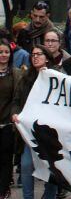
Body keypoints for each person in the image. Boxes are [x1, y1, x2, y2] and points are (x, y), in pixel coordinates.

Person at [11, 45, 58, 199]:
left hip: (51, 133)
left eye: (39, 54)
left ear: (47, 58)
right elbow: (16, 101)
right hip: (29, 131)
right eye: (33, 55)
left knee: (52, 167)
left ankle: (49, 196)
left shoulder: (56, 77)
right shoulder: (26, 78)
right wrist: (15, 114)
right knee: (26, 165)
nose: (35, 57)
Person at [0, 40, 21, 199]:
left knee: (6, 159)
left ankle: (3, 189)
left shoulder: (15, 73)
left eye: (6, 52)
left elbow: (16, 99)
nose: (3, 55)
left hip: (6, 124)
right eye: (0, 52)